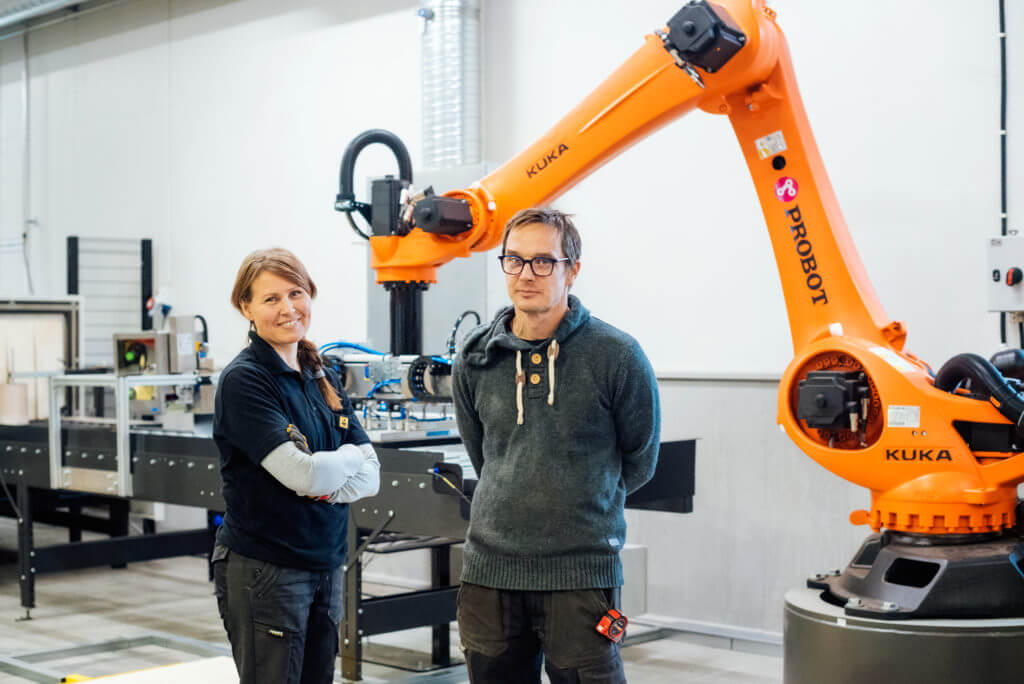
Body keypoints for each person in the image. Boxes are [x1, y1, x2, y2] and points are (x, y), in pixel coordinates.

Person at [452, 208, 661, 683]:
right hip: (491, 574)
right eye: (514, 260)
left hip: (580, 577)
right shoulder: (476, 358)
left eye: (543, 262)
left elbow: (640, 460)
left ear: (573, 269)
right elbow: (483, 455)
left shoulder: (617, 356)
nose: (526, 274)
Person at [211, 247, 380, 684]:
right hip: (267, 570)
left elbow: (372, 475)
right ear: (245, 307)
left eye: (296, 293)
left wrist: (326, 473)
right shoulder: (245, 380)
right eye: (271, 299)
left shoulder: (317, 370)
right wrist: (340, 464)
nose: (288, 308)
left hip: (325, 562)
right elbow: (304, 475)